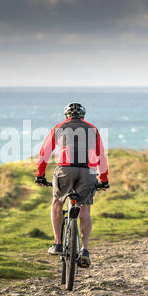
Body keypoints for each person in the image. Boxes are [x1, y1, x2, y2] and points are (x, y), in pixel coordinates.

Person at [34, 102, 109, 266]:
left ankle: (57, 243)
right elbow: (101, 156)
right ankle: (84, 250)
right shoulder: (93, 129)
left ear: (66, 115)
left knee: (57, 202)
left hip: (65, 169)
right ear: (83, 116)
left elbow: (44, 153)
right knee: (85, 209)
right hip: (88, 171)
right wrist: (104, 179)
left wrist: (40, 175)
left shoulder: (59, 127)